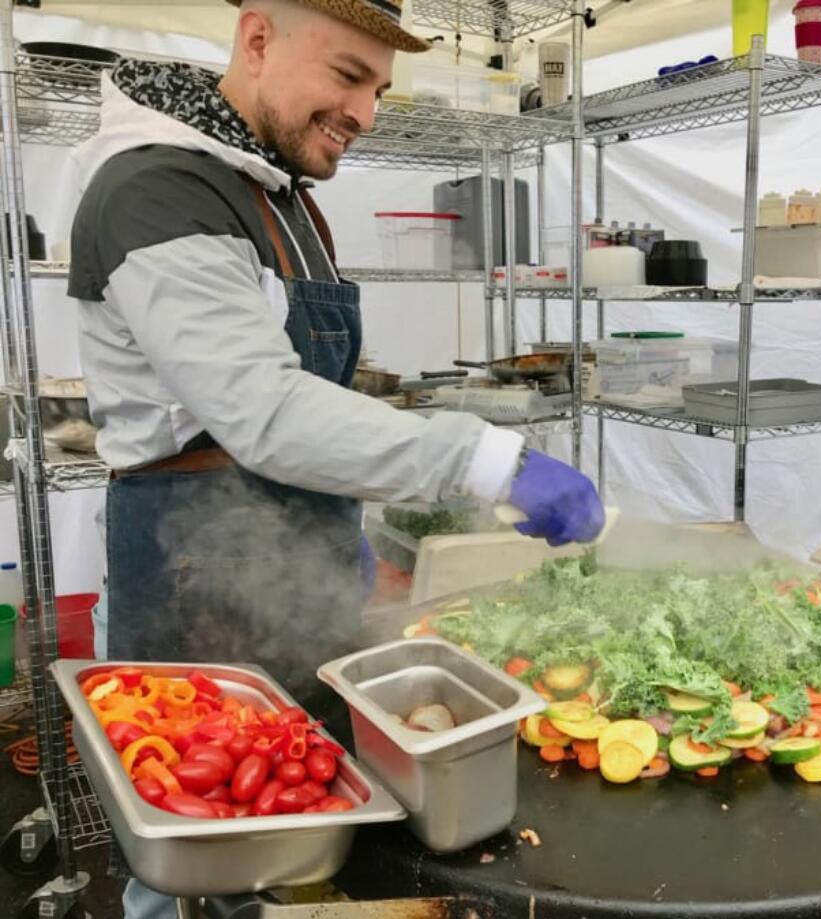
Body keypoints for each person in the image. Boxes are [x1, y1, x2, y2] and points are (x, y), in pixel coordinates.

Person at [69, 0, 601, 915]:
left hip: (281, 551)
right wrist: (487, 460)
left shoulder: (274, 190)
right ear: (258, 38)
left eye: (381, 89)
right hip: (195, 574)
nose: (365, 112)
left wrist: (331, 522)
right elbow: (265, 411)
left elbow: (303, 397)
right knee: (198, 849)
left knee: (296, 836)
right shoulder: (155, 188)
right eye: (348, 76)